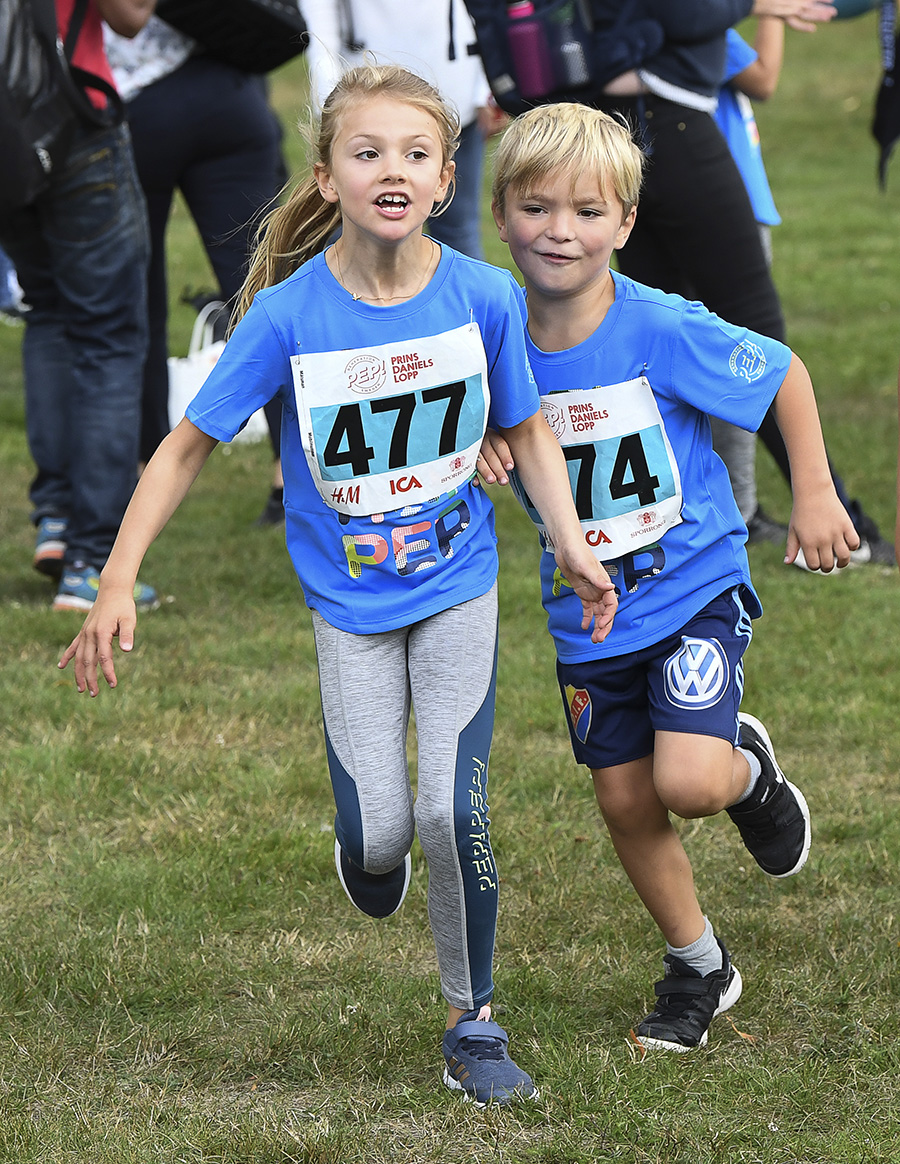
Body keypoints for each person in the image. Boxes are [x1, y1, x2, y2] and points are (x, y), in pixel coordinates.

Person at [59, 64, 617, 1104]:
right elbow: (184, 447)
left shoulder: (485, 295)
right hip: (349, 608)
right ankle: (366, 849)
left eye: (414, 154)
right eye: (367, 154)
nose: (391, 171)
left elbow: (528, 425)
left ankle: (472, 1020)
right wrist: (117, 578)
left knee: (455, 812)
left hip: (458, 586)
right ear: (326, 176)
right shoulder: (283, 316)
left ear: (446, 179)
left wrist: (571, 539)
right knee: (383, 837)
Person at [480, 101, 859, 1051]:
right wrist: (484, 440)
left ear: (625, 225)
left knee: (689, 781)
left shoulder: (660, 326)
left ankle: (749, 772)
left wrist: (812, 493)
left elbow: (781, 374)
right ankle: (698, 965)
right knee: (625, 800)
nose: (559, 231)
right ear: (499, 214)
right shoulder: (489, 335)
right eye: (536, 208)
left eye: (586, 212)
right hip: (586, 613)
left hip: (691, 584)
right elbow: (471, 422)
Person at [589, 0, 895, 568]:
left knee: (657, 327)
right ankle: (835, 520)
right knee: (752, 323)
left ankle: (666, 518)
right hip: (665, 121)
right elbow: (682, 17)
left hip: (627, 120)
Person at [0, 0, 158, 612]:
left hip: (9, 134)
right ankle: (92, 559)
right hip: (73, 117)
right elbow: (130, 15)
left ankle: (58, 519)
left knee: (48, 312)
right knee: (109, 338)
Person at [103, 15, 286, 520]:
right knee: (267, 297)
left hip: (131, 100)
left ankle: (146, 470)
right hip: (226, 89)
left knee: (137, 302)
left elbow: (127, 16)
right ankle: (291, 470)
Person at [303, 0, 501, 260]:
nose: (395, 172)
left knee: (457, 228)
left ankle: (462, 300)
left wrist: (485, 91)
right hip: (362, 105)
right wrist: (334, 111)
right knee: (351, 228)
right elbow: (321, 32)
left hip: (455, 98)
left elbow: (489, 13)